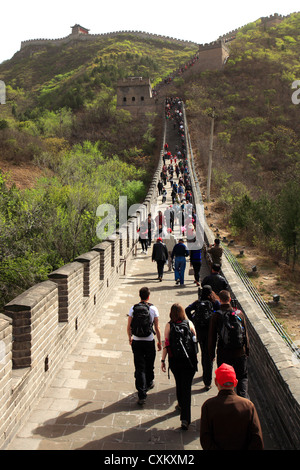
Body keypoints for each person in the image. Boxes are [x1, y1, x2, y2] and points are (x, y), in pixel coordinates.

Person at [200, 363, 264, 450]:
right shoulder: (248, 406)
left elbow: (205, 439)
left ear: (216, 382)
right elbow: (257, 440)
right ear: (236, 382)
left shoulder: (208, 406)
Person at [161, 303, 198, 430]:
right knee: (186, 387)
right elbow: (194, 343)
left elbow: (166, 344)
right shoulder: (189, 324)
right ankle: (185, 419)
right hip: (189, 362)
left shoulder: (169, 326)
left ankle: (181, 404)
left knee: (179, 383)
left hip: (175, 361)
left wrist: (162, 360)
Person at [208, 290, 250, 398]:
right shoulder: (239, 313)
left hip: (224, 353)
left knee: (224, 380)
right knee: (242, 378)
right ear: (230, 299)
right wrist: (247, 351)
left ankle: (226, 401)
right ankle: (243, 400)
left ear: (219, 300)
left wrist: (211, 354)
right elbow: (245, 333)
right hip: (240, 353)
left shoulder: (216, 316)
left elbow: (212, 337)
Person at [127, 287, 162, 405]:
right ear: (148, 296)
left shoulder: (133, 308)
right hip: (149, 340)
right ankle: (149, 382)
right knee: (149, 363)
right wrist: (159, 341)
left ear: (139, 296)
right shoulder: (153, 309)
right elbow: (157, 327)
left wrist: (130, 338)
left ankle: (141, 394)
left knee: (139, 366)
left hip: (137, 340)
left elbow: (129, 326)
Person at [186, 285, 219, 390]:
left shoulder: (197, 303)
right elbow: (219, 313)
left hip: (200, 331)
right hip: (211, 332)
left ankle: (205, 371)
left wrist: (193, 319)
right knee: (209, 355)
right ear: (210, 294)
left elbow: (187, 309)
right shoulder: (215, 303)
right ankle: (207, 381)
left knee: (204, 351)